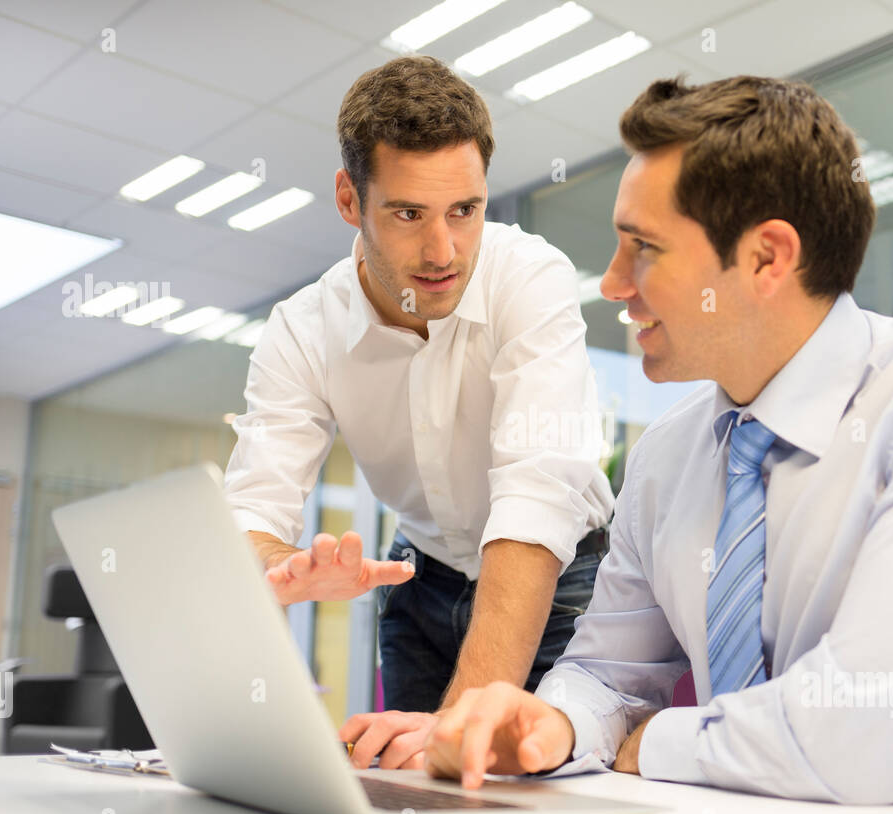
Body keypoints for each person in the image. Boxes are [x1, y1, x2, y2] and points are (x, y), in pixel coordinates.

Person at [421, 75, 893, 814]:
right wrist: (550, 725)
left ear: (766, 259)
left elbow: (864, 735)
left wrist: (655, 741)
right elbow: (607, 676)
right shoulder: (669, 454)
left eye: (643, 248)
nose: (616, 284)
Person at [223, 56, 614, 770]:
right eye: (408, 214)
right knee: (413, 800)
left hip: (560, 584)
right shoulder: (301, 329)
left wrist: (453, 729)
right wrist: (283, 567)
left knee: (534, 793)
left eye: (464, 211)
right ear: (350, 199)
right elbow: (249, 514)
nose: (443, 252)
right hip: (421, 585)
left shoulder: (529, 276)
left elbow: (535, 500)